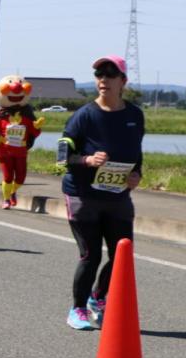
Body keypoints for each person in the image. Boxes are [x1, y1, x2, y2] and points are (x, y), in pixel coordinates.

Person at [57, 55, 144, 331]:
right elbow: (62, 155)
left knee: (121, 255)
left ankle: (98, 298)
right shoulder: (84, 115)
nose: (103, 80)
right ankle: (78, 308)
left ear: (123, 82)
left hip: (117, 196)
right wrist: (87, 161)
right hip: (83, 195)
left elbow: (136, 152)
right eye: (99, 75)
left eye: (110, 74)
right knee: (91, 255)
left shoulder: (134, 115)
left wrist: (136, 175)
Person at [0, 75, 43, 209]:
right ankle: (6, 200)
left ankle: (12, 191)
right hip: (4, 152)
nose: (16, 88)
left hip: (21, 152)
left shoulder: (27, 117)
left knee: (21, 179)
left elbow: (34, 133)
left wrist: (37, 127)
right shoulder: (1, 116)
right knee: (8, 177)